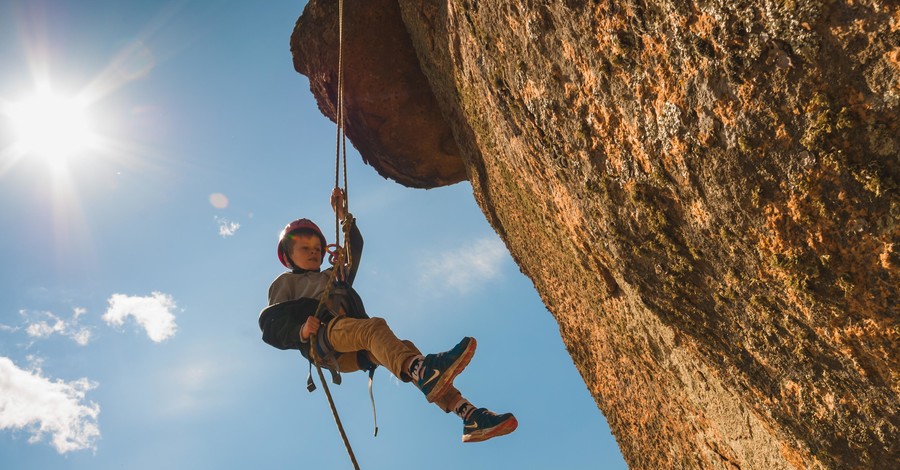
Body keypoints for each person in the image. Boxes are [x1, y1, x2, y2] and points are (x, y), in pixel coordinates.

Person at [261, 189, 517, 443]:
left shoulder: (332, 276)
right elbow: (271, 326)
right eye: (304, 247)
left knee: (405, 350)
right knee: (373, 329)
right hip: (324, 340)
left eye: (317, 246)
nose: (314, 251)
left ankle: (468, 414)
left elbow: (355, 249)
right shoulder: (286, 283)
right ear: (288, 255)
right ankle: (427, 372)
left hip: (348, 347)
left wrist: (342, 214)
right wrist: (300, 331)